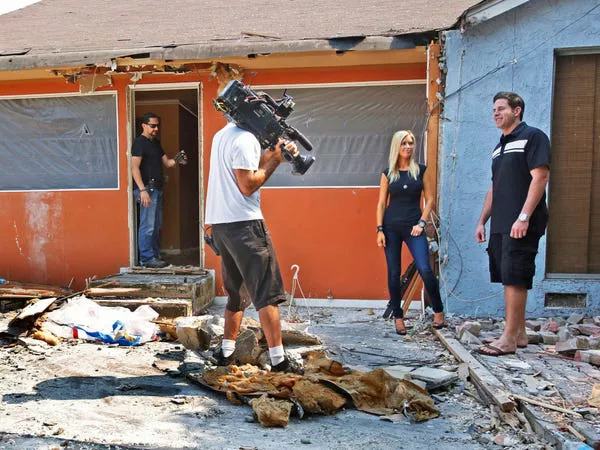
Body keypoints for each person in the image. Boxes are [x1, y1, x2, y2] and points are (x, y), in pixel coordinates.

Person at [205, 120, 300, 372]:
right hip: (245, 224)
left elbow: (242, 169)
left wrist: (270, 155)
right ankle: (279, 361)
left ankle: (225, 352)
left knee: (237, 292)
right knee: (266, 293)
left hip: (222, 225)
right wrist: (276, 161)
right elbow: (247, 185)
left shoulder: (222, 134)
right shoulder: (246, 138)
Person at [475, 92, 550, 356]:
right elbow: (494, 188)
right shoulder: (500, 147)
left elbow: (540, 177)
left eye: (501, 108)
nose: (495, 113)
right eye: (493, 109)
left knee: (515, 277)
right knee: (508, 275)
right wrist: (482, 220)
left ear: (517, 111)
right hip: (501, 223)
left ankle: (507, 339)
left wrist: (524, 216)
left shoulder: (533, 137)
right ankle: (519, 334)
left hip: (522, 222)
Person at [376, 130, 446, 335]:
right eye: (404, 143)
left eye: (411, 143)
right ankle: (398, 317)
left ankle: (438, 311)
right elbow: (381, 203)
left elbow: (430, 199)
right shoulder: (388, 172)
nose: (408, 146)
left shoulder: (421, 170)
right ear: (397, 146)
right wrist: (379, 229)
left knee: (425, 268)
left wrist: (422, 223)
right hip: (391, 228)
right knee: (394, 272)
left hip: (414, 227)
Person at [131, 112, 186, 268]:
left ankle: (154, 256)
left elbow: (168, 163)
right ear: (144, 125)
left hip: (157, 189)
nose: (156, 129)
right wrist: (142, 190)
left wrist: (177, 158)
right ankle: (147, 259)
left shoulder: (155, 143)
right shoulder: (139, 143)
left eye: (157, 126)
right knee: (148, 225)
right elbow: (134, 167)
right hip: (147, 189)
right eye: (152, 126)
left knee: (155, 224)